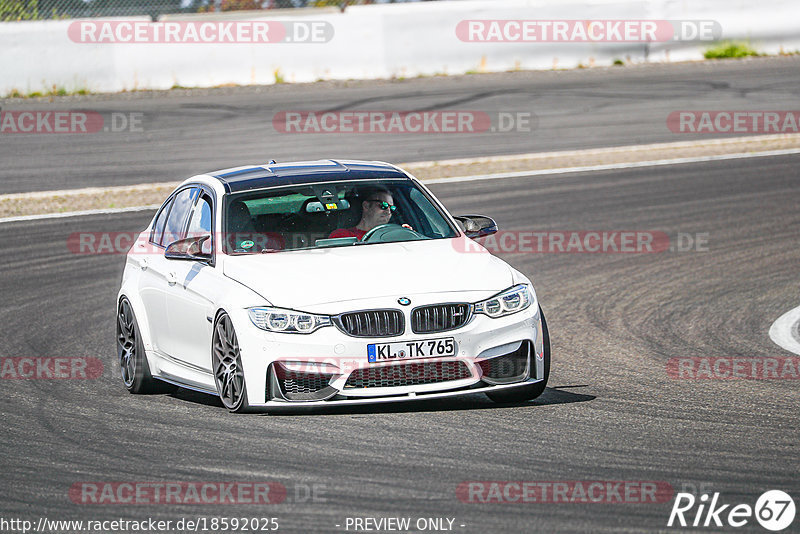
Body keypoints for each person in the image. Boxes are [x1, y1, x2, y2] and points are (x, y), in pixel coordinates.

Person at [329, 187, 396, 240]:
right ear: (366, 206)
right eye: (384, 205)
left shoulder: (394, 235)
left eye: (392, 208)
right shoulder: (342, 236)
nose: (388, 211)